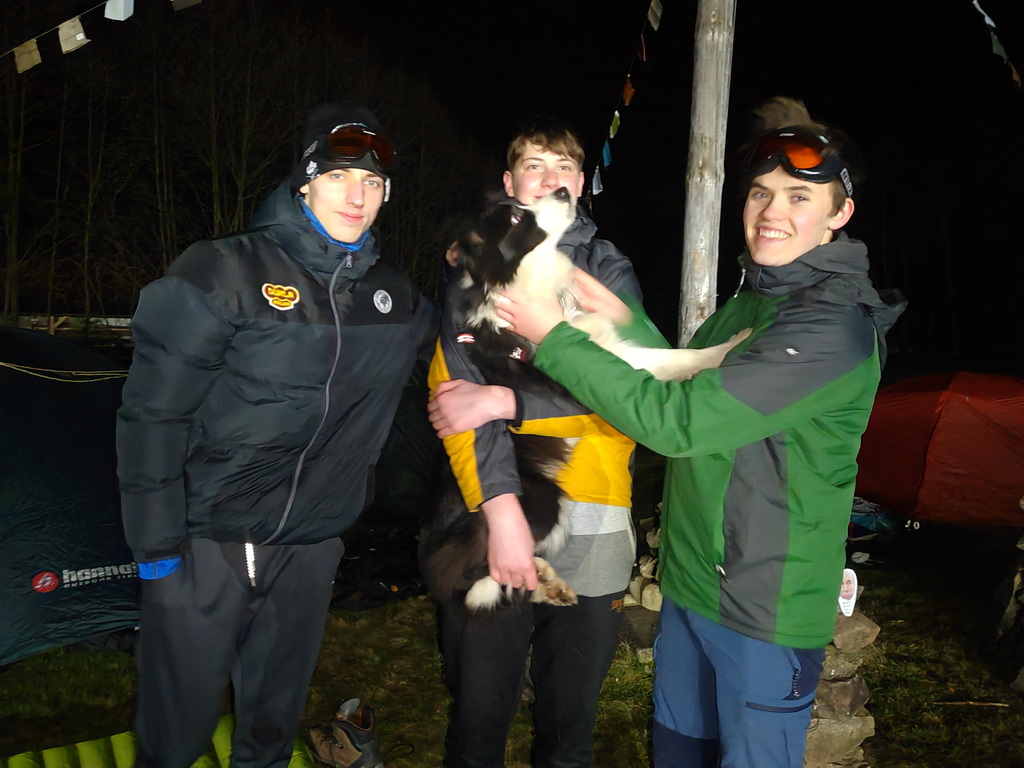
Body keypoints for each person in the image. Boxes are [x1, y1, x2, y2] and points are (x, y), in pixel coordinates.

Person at [494, 97, 906, 768]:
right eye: (762, 192)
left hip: (762, 610)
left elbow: (677, 424)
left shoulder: (831, 329)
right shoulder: (752, 304)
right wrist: (622, 319)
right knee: (678, 751)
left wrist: (554, 337)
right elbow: (685, 384)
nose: (772, 211)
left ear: (840, 214)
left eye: (799, 197)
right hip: (692, 586)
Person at [116, 101, 437, 768]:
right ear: (305, 183)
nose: (357, 196)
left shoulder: (395, 297)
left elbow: (468, 342)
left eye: (372, 182)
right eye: (339, 176)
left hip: (313, 545)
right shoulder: (222, 271)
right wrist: (156, 547)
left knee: (272, 724)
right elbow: (152, 415)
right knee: (175, 730)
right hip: (208, 542)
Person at [426, 118, 643, 768]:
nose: (550, 179)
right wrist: (501, 513)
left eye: (564, 167)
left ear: (582, 181)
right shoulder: (476, 264)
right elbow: (457, 397)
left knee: (570, 725)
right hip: (491, 511)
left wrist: (509, 401)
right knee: (478, 716)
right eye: (534, 166)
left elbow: (630, 389)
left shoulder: (607, 268)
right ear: (509, 182)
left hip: (595, 511)